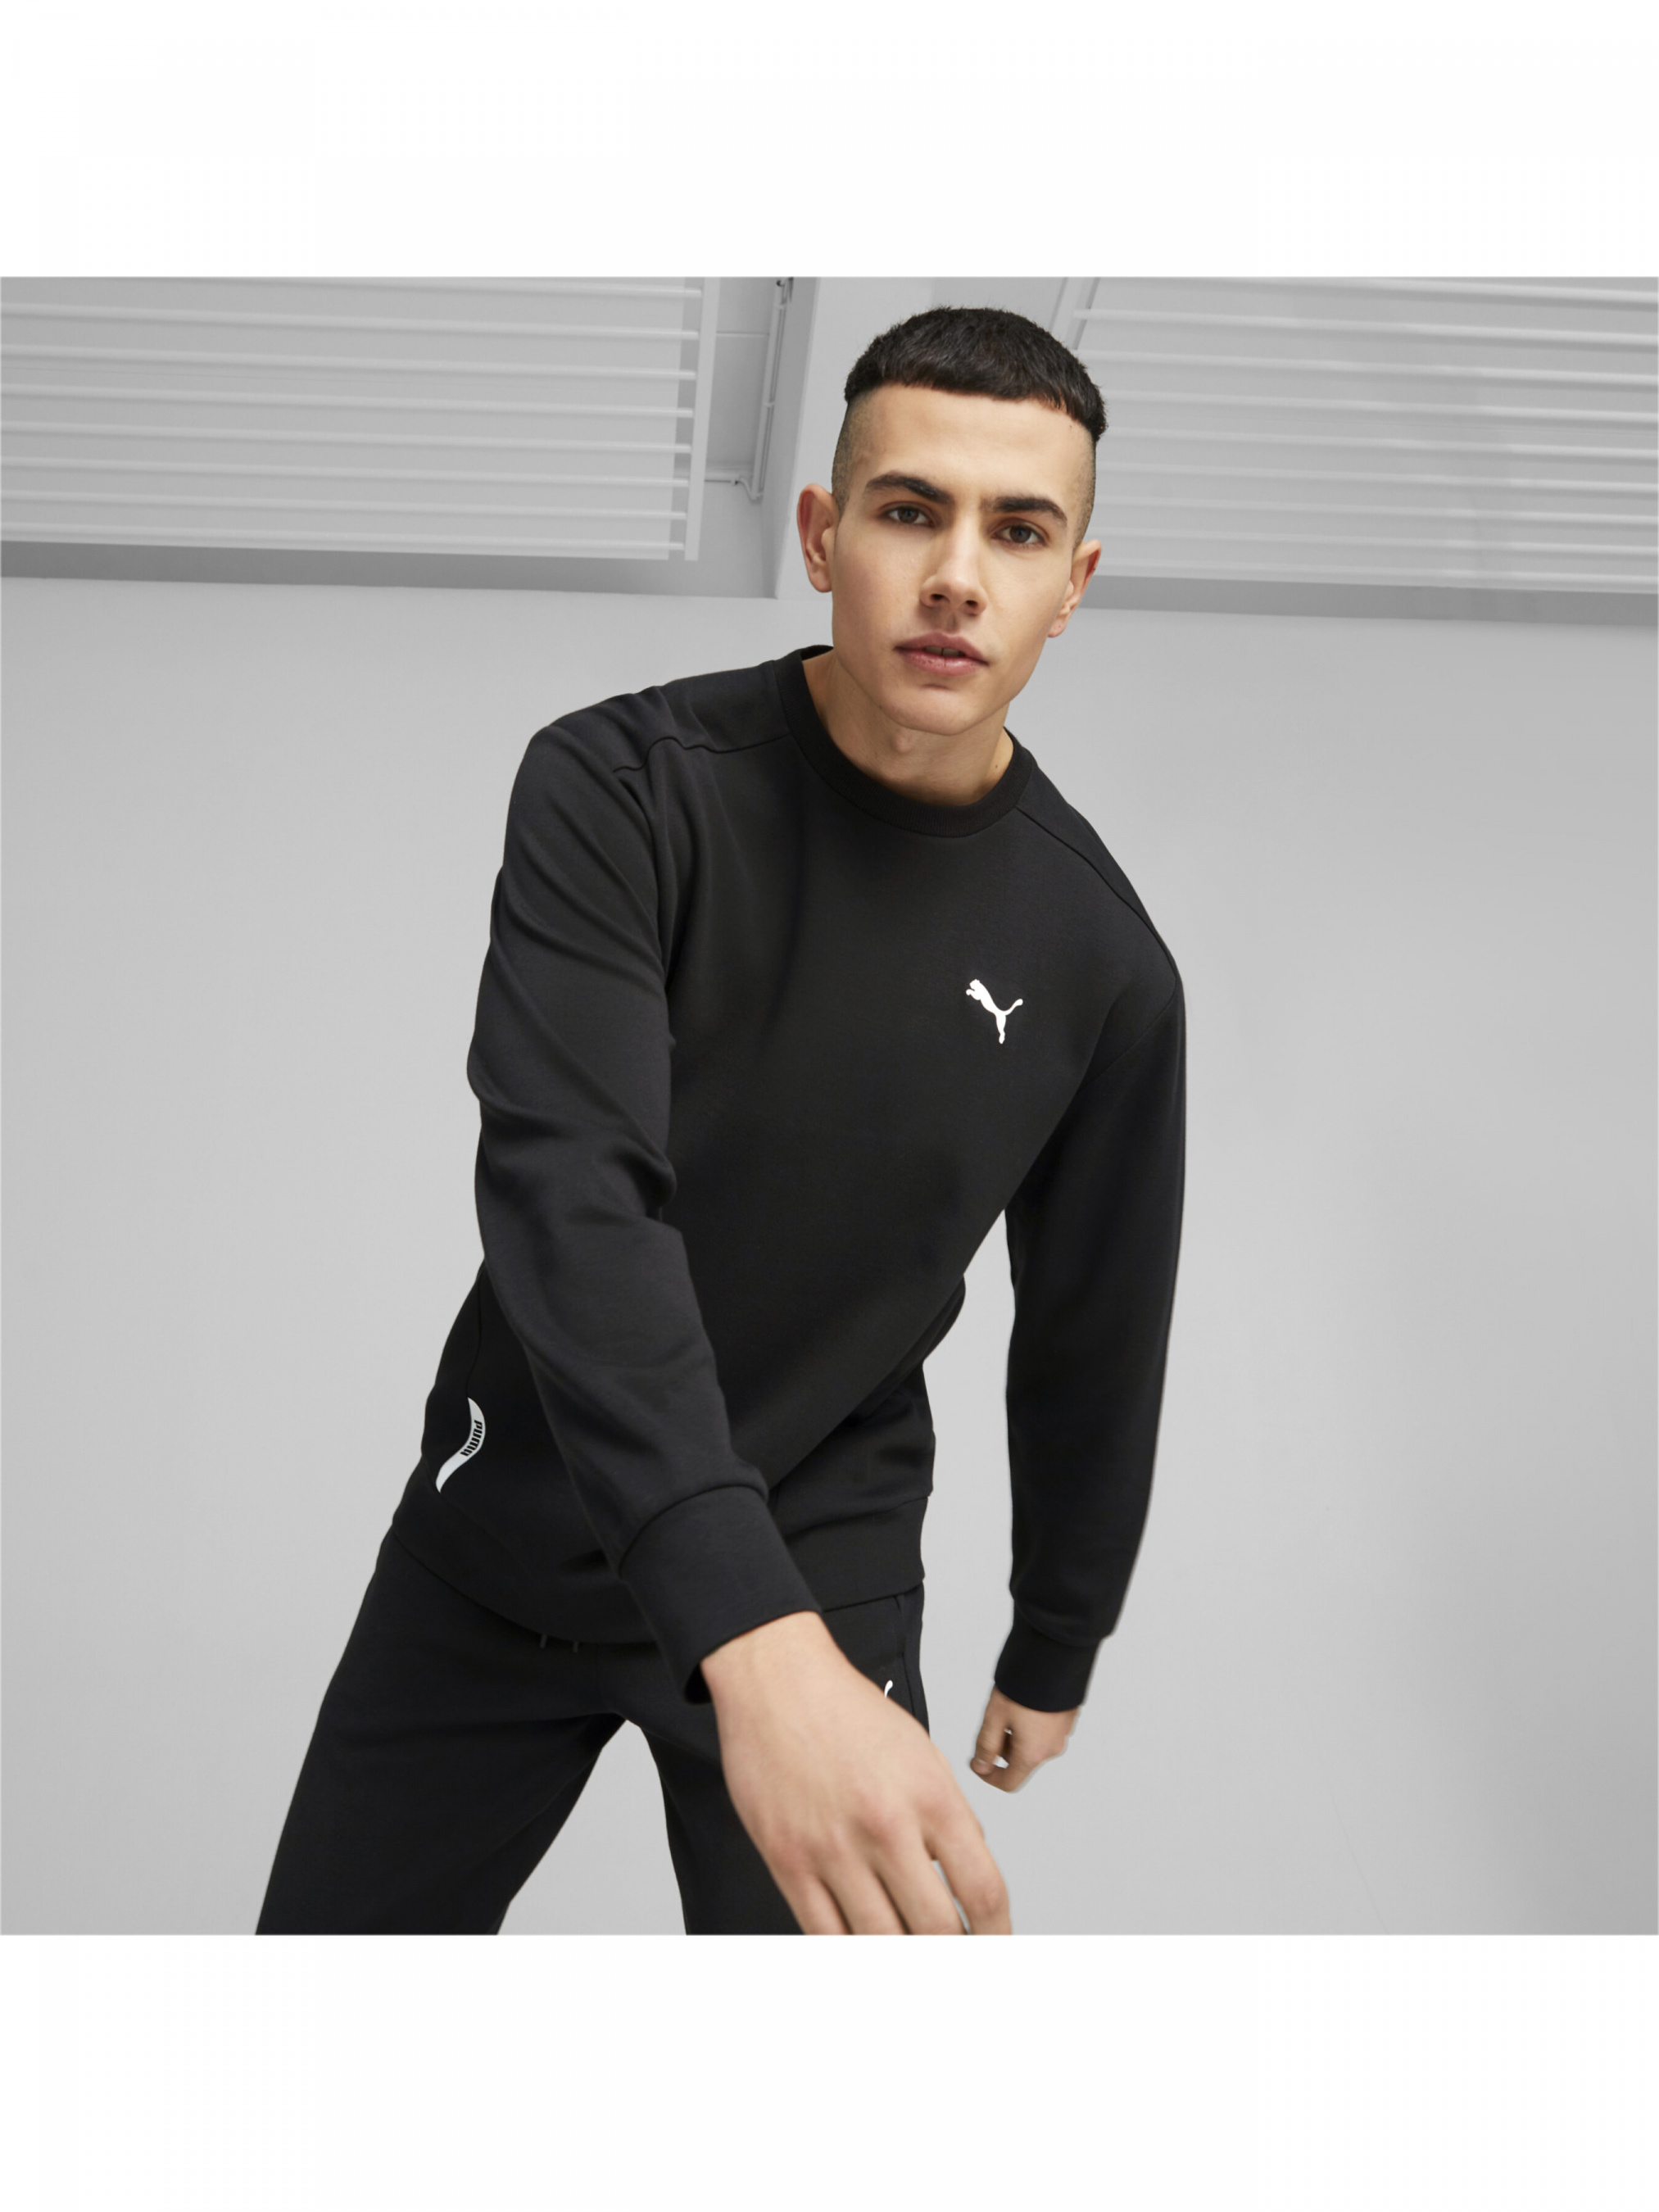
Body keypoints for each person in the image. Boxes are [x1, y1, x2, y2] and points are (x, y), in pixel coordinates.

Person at [256, 305, 1186, 1936]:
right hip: (518, 1521)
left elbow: (1094, 1324)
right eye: (909, 511)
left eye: (1017, 530)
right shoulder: (621, 789)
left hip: (824, 1555)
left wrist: (1058, 1633)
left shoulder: (1103, 964)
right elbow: (573, 1197)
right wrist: (742, 1629)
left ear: (1072, 583)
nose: (956, 574)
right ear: (823, 536)